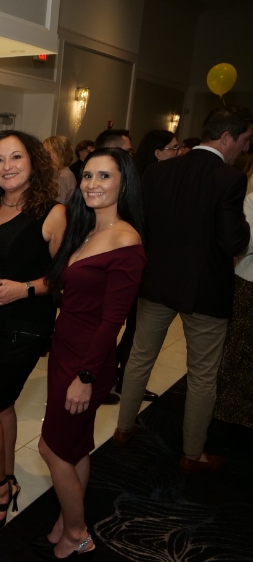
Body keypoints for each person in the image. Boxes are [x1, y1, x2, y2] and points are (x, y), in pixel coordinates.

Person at [113, 106, 253, 473]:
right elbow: (233, 241)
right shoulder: (230, 178)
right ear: (227, 137)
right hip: (205, 289)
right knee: (203, 374)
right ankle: (193, 454)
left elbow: (140, 224)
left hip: (157, 281)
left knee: (139, 357)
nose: (246, 147)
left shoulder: (158, 171)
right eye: (245, 139)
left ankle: (123, 429)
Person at [38, 147, 146, 562]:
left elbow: (112, 321)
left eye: (104, 176)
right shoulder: (86, 230)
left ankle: (78, 533)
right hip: (65, 350)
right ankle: (68, 518)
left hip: (87, 361)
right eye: (87, 175)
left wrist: (85, 376)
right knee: (76, 446)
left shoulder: (126, 240)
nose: (92, 184)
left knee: (51, 448)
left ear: (124, 183)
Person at [0, 130, 66, 532]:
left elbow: (64, 278)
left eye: (16, 157)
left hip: (22, 328)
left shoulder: (52, 214)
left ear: (33, 163)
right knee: (2, 404)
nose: (7, 166)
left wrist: (23, 289)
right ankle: (8, 478)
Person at [113, 130, 180, 400]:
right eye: (173, 148)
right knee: (131, 324)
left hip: (142, 261)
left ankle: (120, 375)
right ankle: (120, 377)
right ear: (158, 152)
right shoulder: (143, 182)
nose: (178, 153)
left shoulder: (151, 179)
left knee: (132, 325)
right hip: (138, 262)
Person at [215, 187, 253, 428]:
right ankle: (230, 411)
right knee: (240, 348)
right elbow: (244, 244)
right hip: (249, 283)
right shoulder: (251, 200)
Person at [44, 135, 77, 204]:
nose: (44, 155)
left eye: (48, 152)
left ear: (59, 154)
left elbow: (56, 204)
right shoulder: (53, 172)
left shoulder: (63, 176)